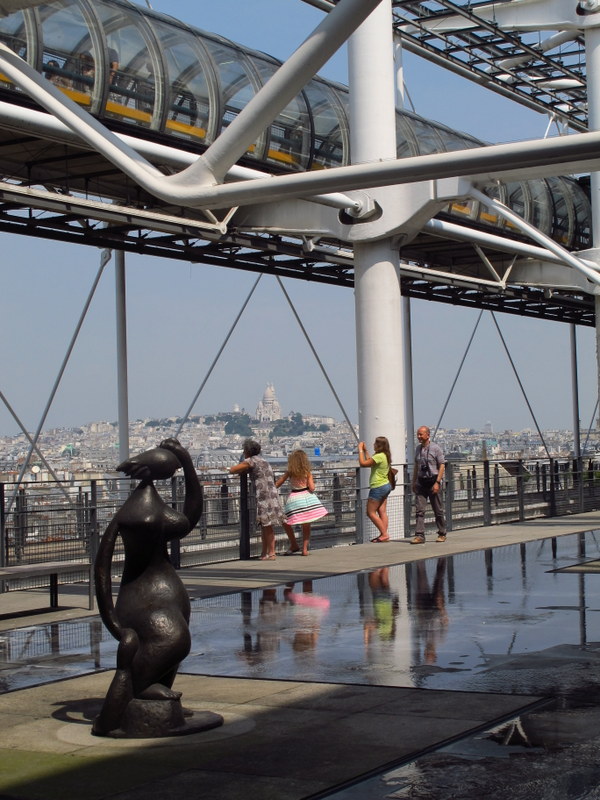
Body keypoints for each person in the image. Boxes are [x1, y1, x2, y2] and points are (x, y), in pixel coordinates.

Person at [93, 438, 203, 736]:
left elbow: (101, 565)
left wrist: (111, 616)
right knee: (173, 639)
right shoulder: (148, 513)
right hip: (150, 600)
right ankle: (139, 690)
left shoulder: (133, 510)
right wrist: (188, 463)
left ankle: (153, 689)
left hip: (144, 596)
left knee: (170, 642)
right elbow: (191, 517)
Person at [228, 439, 290, 560]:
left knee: (267, 525)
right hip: (272, 494)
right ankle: (264, 552)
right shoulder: (264, 461)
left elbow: (232, 469)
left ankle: (271, 552)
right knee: (265, 525)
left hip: (263, 496)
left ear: (247, 451)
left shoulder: (250, 461)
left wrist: (243, 467)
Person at [275, 449, 328, 556]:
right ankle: (304, 549)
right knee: (306, 525)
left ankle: (294, 543)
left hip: (294, 498)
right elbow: (312, 488)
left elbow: (278, 483)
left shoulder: (290, 472)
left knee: (286, 521)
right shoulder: (307, 472)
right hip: (306, 498)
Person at [411, 425, 446, 544]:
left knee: (438, 509)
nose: (419, 436)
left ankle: (442, 532)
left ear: (428, 435)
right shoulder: (418, 449)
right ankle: (419, 535)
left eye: (421, 434)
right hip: (421, 481)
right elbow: (416, 465)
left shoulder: (436, 448)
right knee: (419, 510)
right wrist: (414, 481)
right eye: (418, 434)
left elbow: (442, 465)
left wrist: (437, 482)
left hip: (433, 480)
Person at [358, 436, 393, 542]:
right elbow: (370, 461)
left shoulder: (379, 456)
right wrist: (365, 451)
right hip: (386, 485)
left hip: (378, 486)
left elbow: (363, 463)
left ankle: (384, 534)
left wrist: (360, 450)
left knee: (370, 512)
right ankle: (383, 534)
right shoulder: (384, 456)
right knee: (382, 511)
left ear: (379, 446)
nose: (373, 444)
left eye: (375, 443)